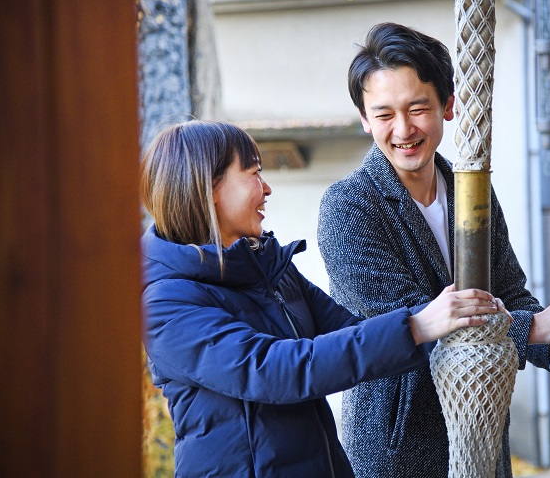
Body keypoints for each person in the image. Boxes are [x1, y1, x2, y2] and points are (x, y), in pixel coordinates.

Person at [317, 22, 550, 478]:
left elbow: (510, 292)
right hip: (396, 450)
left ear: (448, 105)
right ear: (364, 119)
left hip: (481, 435)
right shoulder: (346, 206)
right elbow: (405, 324)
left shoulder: (472, 190)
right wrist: (536, 328)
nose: (403, 129)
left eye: (418, 108)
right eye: (383, 115)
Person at [139, 119, 508, 478]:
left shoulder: (270, 269)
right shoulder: (165, 304)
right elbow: (276, 370)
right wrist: (417, 324)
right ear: (209, 189)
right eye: (253, 173)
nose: (266, 189)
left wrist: (464, 324)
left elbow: (355, 333)